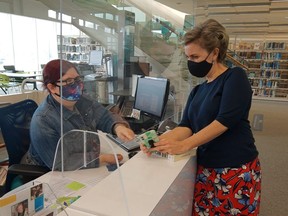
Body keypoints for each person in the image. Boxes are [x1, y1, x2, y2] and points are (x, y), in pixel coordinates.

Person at [141, 19, 261, 215]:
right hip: (205, 169)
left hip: (235, 169)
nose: (191, 62)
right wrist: (159, 141)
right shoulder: (198, 90)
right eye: (188, 57)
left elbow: (224, 121)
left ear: (214, 53)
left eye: (195, 57)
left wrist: (184, 145)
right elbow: (186, 125)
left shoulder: (235, 77)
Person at [22, 59, 135, 170]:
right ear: (52, 87)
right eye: (69, 81)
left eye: (77, 79)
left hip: (83, 164)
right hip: (47, 173)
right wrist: (101, 158)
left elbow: (103, 116)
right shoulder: (43, 120)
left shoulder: (82, 100)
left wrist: (118, 127)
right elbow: (59, 162)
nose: (76, 85)